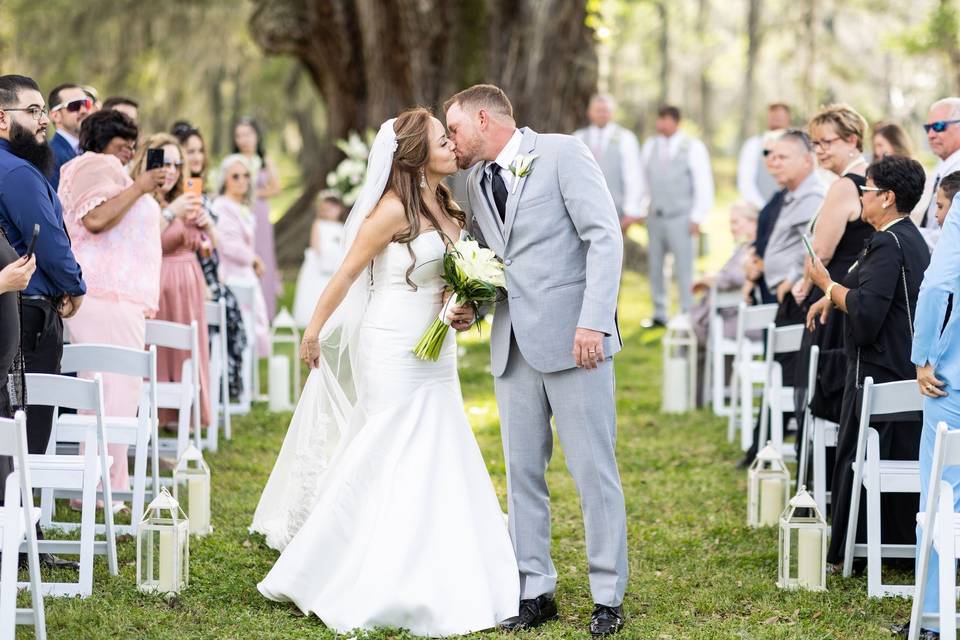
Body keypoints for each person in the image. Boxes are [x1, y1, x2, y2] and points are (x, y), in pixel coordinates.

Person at [254, 108, 520, 636]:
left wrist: (461, 306)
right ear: (417, 154)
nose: (453, 145)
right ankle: (343, 566)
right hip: (391, 344)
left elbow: (450, 280)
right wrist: (313, 331)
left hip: (437, 349)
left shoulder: (450, 206)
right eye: (444, 139)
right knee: (388, 444)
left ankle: (440, 561)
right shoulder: (392, 210)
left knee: (440, 444)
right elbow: (348, 272)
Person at [446, 84, 627, 636]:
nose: (451, 142)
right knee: (522, 474)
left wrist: (593, 321)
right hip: (513, 347)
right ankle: (534, 588)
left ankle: (607, 597)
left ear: (483, 119)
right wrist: (473, 308)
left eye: (454, 129)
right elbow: (496, 259)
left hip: (578, 342)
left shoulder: (562, 153)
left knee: (592, 471)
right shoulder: (475, 180)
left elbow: (605, 237)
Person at [805, 155, 929, 573]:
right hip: (903, 367)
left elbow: (865, 314)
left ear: (888, 198)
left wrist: (826, 284)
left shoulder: (887, 243)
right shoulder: (908, 238)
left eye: (868, 188)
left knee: (856, 455)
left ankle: (849, 551)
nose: (861, 194)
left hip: (881, 370)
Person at [0, 74, 86, 571]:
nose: (43, 120)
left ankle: (20, 535)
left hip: (16, 310)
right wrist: (74, 284)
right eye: (31, 111)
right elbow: (50, 239)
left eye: (43, 111)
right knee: (28, 429)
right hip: (28, 315)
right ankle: (24, 542)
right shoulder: (17, 173)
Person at [59, 110, 164, 503]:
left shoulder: (107, 170)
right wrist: (139, 188)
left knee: (112, 393)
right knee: (112, 393)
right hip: (107, 295)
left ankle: (103, 486)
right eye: (125, 143)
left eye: (134, 145)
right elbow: (96, 219)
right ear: (104, 139)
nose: (130, 151)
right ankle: (99, 489)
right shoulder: (95, 164)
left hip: (115, 296)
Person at [791, 105, 873, 446]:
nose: (819, 150)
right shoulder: (873, 177)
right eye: (815, 143)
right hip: (858, 290)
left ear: (852, 140)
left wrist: (803, 285)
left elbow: (820, 252)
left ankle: (819, 471)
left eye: (827, 142)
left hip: (832, 294)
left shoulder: (844, 186)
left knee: (825, 383)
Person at [906, 175, 960, 640]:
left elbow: (938, 284)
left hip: (954, 382)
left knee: (940, 498)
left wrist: (923, 356)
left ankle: (930, 619)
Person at [131, 133, 212, 430]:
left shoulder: (184, 199)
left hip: (188, 285)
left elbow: (208, 246)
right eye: (165, 163)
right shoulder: (141, 197)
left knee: (187, 350)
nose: (172, 170)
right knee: (158, 349)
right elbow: (142, 238)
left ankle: (184, 420)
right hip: (155, 282)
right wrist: (170, 212)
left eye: (177, 164)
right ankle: (155, 419)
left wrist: (207, 226)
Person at [172, 121, 247, 400]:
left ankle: (224, 387)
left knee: (232, 318)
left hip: (210, 272)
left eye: (199, 151)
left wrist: (207, 225)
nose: (196, 157)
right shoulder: (172, 196)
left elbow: (215, 243)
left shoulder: (201, 194)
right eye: (189, 151)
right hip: (188, 275)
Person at [639, 105, 715, 328]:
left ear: (676, 121)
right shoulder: (650, 145)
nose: (660, 124)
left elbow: (703, 183)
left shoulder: (692, 146)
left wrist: (698, 216)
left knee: (684, 267)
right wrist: (642, 207)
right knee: (656, 266)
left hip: (681, 216)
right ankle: (659, 313)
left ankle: (687, 312)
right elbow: (643, 180)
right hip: (655, 216)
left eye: (665, 120)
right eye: (659, 119)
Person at [690, 201, 758, 405]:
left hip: (744, 317)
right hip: (732, 313)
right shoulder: (744, 247)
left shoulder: (755, 250)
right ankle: (701, 394)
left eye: (736, 222)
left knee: (699, 329)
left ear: (752, 222)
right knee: (694, 327)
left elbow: (736, 278)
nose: (732, 227)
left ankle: (704, 395)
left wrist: (709, 280)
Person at [212, 154, 269, 357]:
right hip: (232, 274)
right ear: (225, 179)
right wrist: (253, 259)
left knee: (254, 326)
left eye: (246, 175)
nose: (242, 180)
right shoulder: (222, 206)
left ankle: (249, 376)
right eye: (236, 176)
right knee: (243, 327)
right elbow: (229, 245)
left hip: (244, 274)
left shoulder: (241, 206)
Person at [572, 94, 645, 231]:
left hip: (615, 212)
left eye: (605, 110)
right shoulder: (578, 137)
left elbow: (633, 177)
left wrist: (631, 211)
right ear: (589, 112)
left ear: (612, 113)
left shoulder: (626, 138)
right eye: (598, 110)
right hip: (582, 211)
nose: (602, 114)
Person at [233, 116, 281, 323]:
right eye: (239, 135)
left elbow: (276, 187)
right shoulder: (234, 162)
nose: (243, 139)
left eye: (247, 134)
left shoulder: (265, 159)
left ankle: (265, 314)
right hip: (240, 212)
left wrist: (254, 193)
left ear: (256, 136)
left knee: (263, 257)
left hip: (260, 213)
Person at [743, 129, 787, 304]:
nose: (771, 158)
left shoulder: (792, 197)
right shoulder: (776, 197)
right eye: (766, 152)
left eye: (777, 153)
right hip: (764, 283)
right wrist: (749, 259)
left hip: (781, 286)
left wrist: (758, 267)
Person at [292, 194, 345, 328]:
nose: (330, 212)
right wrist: (321, 256)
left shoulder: (341, 226)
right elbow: (315, 242)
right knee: (316, 289)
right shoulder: (318, 224)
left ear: (340, 210)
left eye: (333, 209)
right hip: (319, 261)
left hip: (335, 261)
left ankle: (334, 317)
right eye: (326, 209)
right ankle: (311, 316)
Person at [914, 97, 960, 251]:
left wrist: (904, 235)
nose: (931, 135)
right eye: (928, 128)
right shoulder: (942, 165)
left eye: (939, 126)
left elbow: (951, 235)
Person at [737, 103, 792, 210]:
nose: (776, 119)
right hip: (760, 209)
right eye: (773, 116)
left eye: (780, 116)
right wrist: (765, 209)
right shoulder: (753, 145)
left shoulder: (800, 144)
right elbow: (746, 183)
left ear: (788, 118)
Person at [47, 83, 93, 190]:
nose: (84, 111)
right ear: (55, 116)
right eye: (74, 106)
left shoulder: (94, 149)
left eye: (86, 104)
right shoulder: (49, 155)